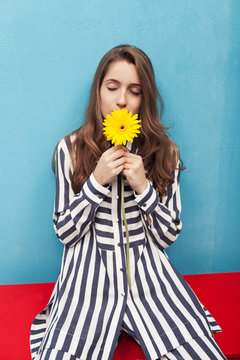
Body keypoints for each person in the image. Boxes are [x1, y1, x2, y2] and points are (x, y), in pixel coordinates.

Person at [30, 45, 226, 360]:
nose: (122, 100)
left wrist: (143, 187)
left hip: (151, 285)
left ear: (143, 99)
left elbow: (168, 235)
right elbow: (65, 232)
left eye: (134, 91)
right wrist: (96, 181)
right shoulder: (69, 149)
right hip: (87, 288)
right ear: (98, 92)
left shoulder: (166, 152)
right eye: (112, 88)